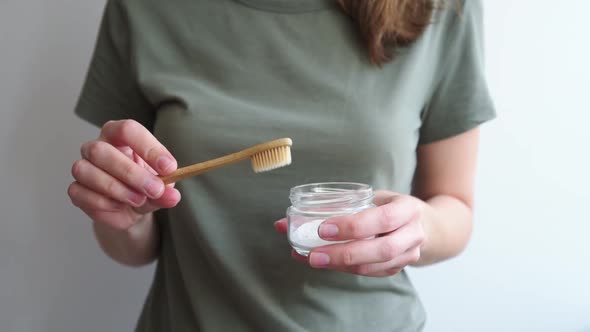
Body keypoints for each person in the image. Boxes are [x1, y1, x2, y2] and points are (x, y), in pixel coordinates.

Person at [67, 0, 495, 331]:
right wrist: (125, 214)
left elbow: (455, 208)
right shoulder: (145, 8)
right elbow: (133, 247)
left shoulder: (439, 8)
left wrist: (415, 226)